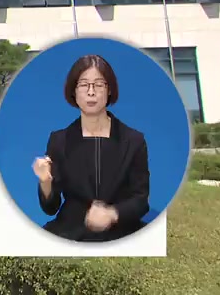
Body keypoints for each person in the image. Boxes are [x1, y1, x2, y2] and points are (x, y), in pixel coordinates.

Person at [32, 54, 150, 242]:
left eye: (99, 85)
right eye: (84, 85)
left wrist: (112, 214)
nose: (91, 92)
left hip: (121, 232)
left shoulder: (133, 140)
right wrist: (45, 181)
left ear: (109, 90)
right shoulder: (59, 140)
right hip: (70, 231)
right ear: (74, 91)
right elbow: (50, 208)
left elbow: (141, 201)